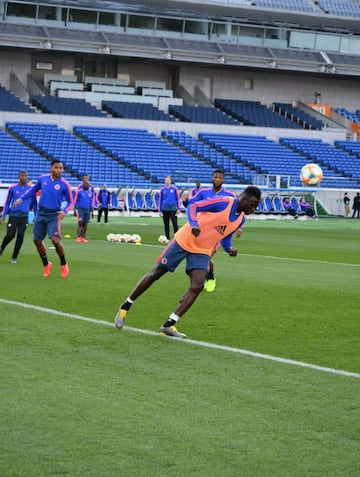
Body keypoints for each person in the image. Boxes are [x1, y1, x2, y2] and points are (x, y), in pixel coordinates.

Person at [114, 186, 261, 338]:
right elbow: (194, 206)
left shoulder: (241, 219)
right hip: (184, 240)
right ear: (243, 199)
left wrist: (229, 248)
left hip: (203, 250)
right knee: (156, 273)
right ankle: (125, 306)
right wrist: (194, 223)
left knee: (197, 285)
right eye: (252, 205)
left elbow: (225, 236)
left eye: (256, 206)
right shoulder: (224, 202)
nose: (254, 209)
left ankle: (169, 325)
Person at [13, 160, 73, 278]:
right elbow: (33, 190)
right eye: (57, 167)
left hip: (53, 215)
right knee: (37, 241)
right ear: (51, 168)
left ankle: (63, 263)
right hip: (41, 213)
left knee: (55, 240)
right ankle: (46, 265)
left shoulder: (65, 184)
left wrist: (64, 211)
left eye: (61, 168)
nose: (59, 170)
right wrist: (21, 198)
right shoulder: (43, 179)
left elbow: (71, 201)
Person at [187, 169, 240, 293]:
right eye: (216, 177)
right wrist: (185, 201)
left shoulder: (230, 195)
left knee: (207, 255)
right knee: (199, 256)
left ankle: (208, 278)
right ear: (212, 178)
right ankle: (207, 275)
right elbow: (191, 204)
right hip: (202, 230)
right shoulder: (203, 192)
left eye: (220, 178)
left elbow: (238, 212)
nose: (218, 179)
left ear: (223, 180)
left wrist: (239, 227)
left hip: (218, 233)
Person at [0, 171, 37, 264]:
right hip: (13, 216)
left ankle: (14, 256)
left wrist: (36, 216)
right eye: (22, 175)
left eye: (26, 176)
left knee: (20, 236)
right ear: (19, 177)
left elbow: (36, 204)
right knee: (10, 235)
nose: (24, 177)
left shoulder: (31, 190)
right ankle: (1, 248)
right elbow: (7, 202)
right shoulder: (13, 188)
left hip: (24, 217)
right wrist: (4, 215)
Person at [73, 174, 95, 242]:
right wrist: (74, 209)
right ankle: (78, 237)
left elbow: (92, 199)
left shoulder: (91, 187)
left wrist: (92, 210)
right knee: (80, 222)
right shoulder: (79, 187)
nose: (86, 180)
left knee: (86, 223)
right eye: (85, 178)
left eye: (87, 178)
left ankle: (83, 237)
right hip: (80, 209)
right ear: (82, 179)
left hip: (88, 209)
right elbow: (76, 198)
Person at [158, 175, 181, 241]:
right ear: (164, 181)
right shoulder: (162, 189)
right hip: (165, 208)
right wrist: (160, 210)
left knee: (174, 223)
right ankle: (167, 238)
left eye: (168, 180)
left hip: (173, 208)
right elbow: (160, 200)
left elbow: (177, 198)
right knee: (166, 224)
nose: (167, 181)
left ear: (170, 181)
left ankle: (177, 238)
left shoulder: (174, 189)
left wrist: (178, 208)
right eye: (166, 180)